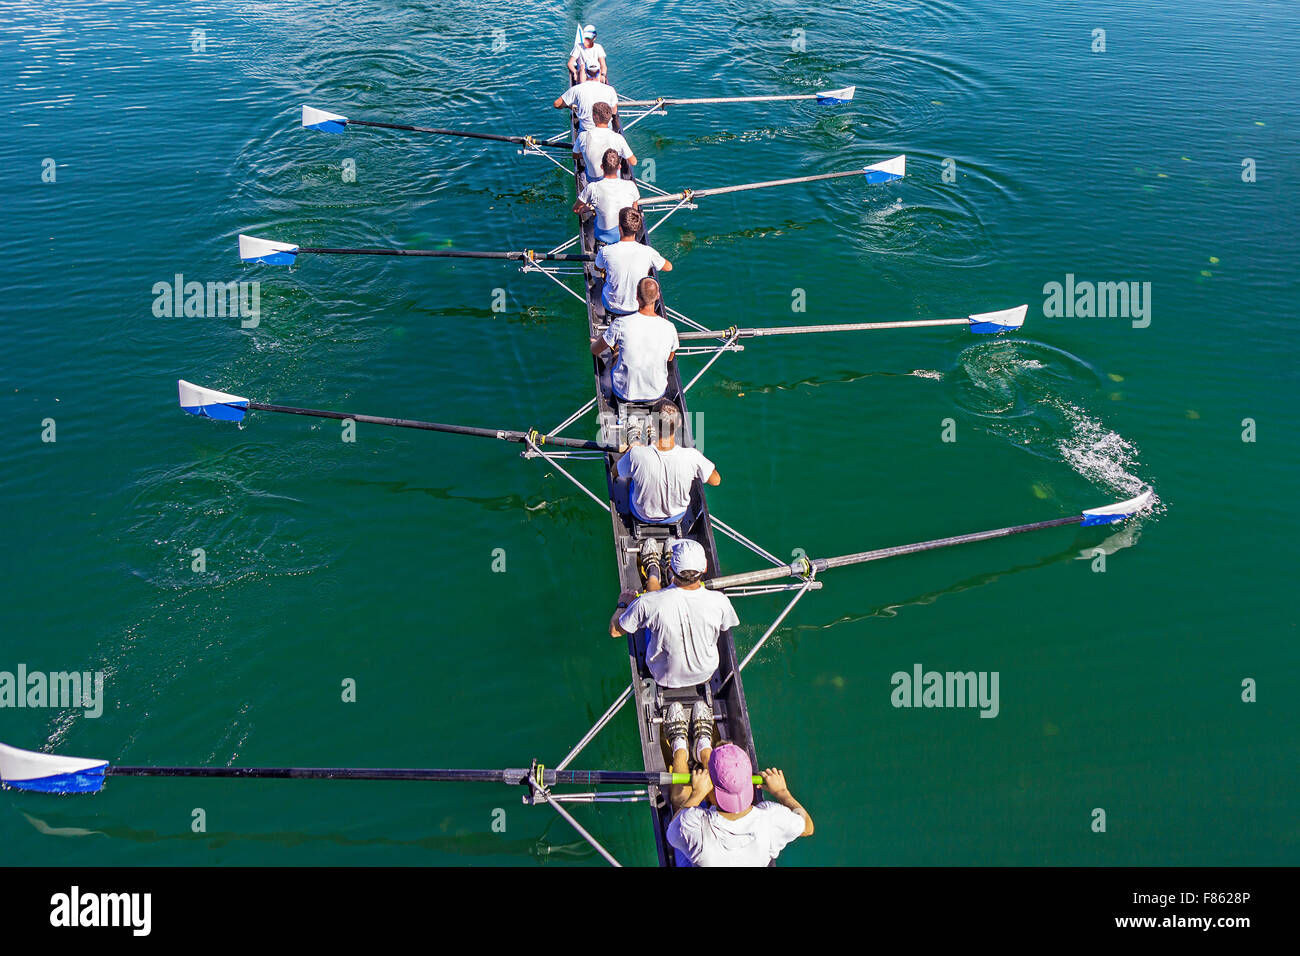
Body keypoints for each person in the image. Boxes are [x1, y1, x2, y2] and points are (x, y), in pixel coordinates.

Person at [609, 539, 739, 688]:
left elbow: (615, 631)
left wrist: (623, 604)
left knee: (654, 599)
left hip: (662, 677)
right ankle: (659, 572)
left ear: (671, 567)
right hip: (706, 673)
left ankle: (653, 570)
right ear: (705, 568)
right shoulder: (720, 601)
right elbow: (725, 626)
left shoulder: (647, 602)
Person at [665, 742, 814, 867]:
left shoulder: (691, 823)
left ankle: (680, 751)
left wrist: (697, 794)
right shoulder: (771, 818)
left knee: (682, 802)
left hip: (696, 853)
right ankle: (703, 751)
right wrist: (782, 792)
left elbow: (672, 833)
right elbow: (808, 827)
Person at [616, 397, 718, 528]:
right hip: (677, 515)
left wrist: (631, 451)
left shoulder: (636, 454)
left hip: (642, 513)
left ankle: (635, 438)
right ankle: (651, 439)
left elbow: (616, 472)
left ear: (652, 422)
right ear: (679, 423)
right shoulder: (692, 456)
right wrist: (698, 464)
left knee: (632, 471)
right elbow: (716, 481)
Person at [592, 277, 680, 404]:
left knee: (616, 349)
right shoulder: (670, 328)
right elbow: (670, 358)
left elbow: (595, 350)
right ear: (658, 296)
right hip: (657, 393)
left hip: (624, 393)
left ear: (636, 297)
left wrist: (596, 341)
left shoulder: (621, 324)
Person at [593, 207, 671, 316]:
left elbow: (597, 267)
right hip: (637, 307)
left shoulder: (605, 251)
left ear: (619, 228)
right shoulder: (648, 252)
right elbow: (669, 267)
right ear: (638, 229)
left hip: (611, 305)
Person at [574, 151, 640, 244]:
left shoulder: (592, 188)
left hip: (604, 236)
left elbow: (576, 210)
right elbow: (634, 210)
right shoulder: (631, 185)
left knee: (595, 218)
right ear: (619, 167)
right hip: (625, 233)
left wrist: (587, 208)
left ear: (601, 167)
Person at [573, 101, 635, 185]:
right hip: (613, 178)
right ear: (609, 118)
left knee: (584, 170)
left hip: (593, 178)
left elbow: (575, 155)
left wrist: (585, 153)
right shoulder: (618, 138)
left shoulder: (582, 136)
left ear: (594, 117)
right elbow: (633, 162)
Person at [554, 61, 617, 133]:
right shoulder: (610, 89)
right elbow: (614, 111)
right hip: (606, 129)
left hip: (586, 130)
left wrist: (570, 106)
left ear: (585, 72)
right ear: (599, 72)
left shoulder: (576, 89)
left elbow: (556, 104)